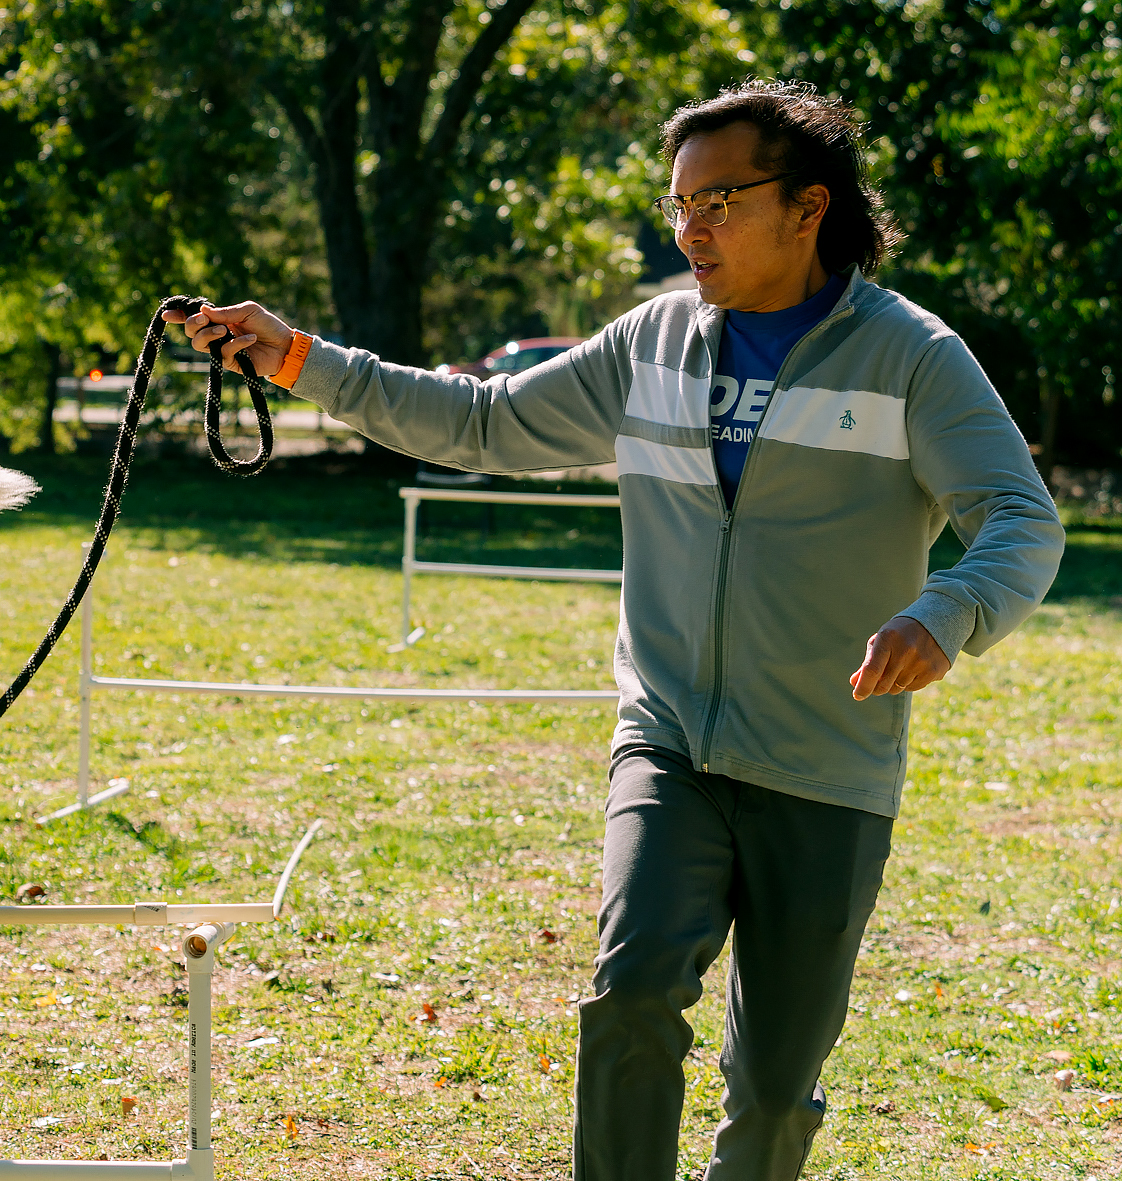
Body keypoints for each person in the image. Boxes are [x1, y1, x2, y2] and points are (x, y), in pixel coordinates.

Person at [169, 80, 1064, 1180]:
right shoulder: (652, 341)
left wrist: (948, 608)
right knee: (631, 988)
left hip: (828, 758)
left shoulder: (911, 358)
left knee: (776, 1090)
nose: (689, 229)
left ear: (808, 207)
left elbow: (1020, 516)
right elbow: (486, 421)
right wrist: (302, 357)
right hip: (671, 738)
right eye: (678, 203)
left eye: (719, 201)